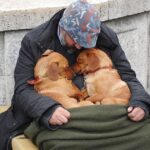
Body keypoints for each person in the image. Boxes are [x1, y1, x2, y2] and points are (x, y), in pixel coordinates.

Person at [0, 0, 150, 149]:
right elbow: (22, 90)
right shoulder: (34, 41)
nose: (80, 46)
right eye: (75, 39)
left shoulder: (105, 36)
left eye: (86, 42)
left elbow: (128, 76)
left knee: (146, 135)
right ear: (63, 27)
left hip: (97, 110)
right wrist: (47, 109)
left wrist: (140, 102)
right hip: (59, 113)